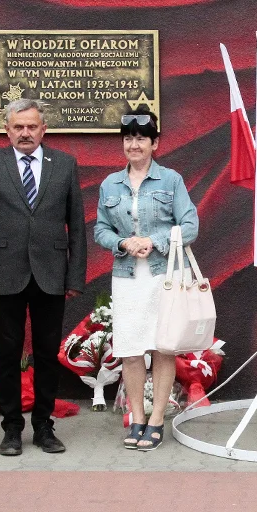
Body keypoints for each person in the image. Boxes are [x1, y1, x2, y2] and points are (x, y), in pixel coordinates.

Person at [0, 99, 86, 456]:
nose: (25, 133)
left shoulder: (64, 164)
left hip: (51, 274)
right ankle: (12, 429)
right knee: (7, 353)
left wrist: (75, 276)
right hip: (5, 275)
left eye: (31, 127)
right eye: (18, 127)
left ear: (42, 130)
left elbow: (77, 225)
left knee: (47, 354)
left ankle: (44, 426)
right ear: (8, 130)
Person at [94, 109, 198, 450]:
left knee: (163, 346)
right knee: (130, 349)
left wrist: (155, 240)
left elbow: (190, 225)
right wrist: (123, 242)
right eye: (128, 139)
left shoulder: (171, 180)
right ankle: (137, 417)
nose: (133, 145)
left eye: (141, 138)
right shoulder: (110, 184)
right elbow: (100, 229)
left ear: (154, 143)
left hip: (163, 276)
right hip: (126, 278)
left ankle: (157, 420)